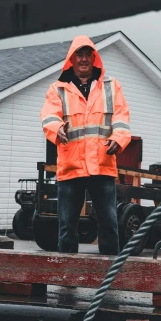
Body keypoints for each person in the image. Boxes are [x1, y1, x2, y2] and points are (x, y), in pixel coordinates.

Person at [41, 35, 131, 255]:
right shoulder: (57, 89)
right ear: (71, 59)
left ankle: (109, 275)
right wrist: (56, 129)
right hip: (71, 167)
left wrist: (118, 139)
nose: (83, 59)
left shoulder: (111, 86)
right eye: (79, 55)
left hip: (102, 164)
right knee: (66, 226)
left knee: (109, 223)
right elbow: (49, 116)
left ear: (94, 58)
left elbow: (121, 118)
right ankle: (67, 277)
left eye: (87, 55)